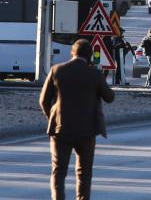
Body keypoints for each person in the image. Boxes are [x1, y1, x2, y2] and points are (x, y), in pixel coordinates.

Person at [39, 39, 115, 200]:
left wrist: (53, 118)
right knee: (84, 172)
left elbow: (44, 100)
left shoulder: (56, 70)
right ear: (89, 56)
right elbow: (109, 97)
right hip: (87, 131)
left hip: (61, 129)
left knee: (59, 171)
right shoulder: (94, 74)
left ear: (72, 52)